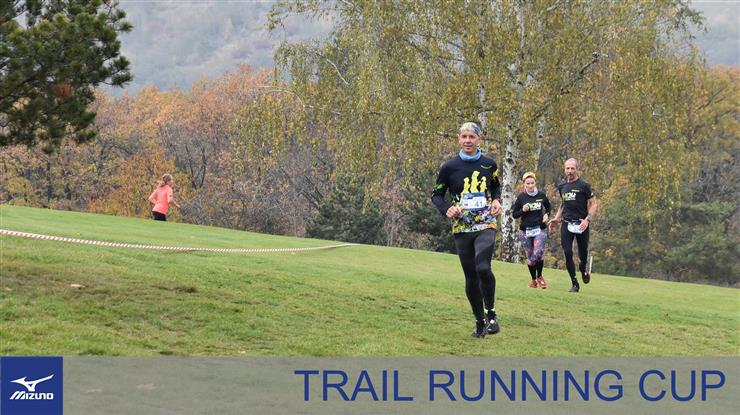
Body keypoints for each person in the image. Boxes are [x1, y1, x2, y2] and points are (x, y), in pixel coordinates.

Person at [432, 122, 502, 338]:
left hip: (485, 221)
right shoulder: (449, 167)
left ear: (479, 139)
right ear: (459, 139)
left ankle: (491, 314)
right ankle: (479, 321)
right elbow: (437, 195)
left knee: (483, 267)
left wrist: (496, 200)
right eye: (464, 137)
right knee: (471, 275)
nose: (468, 141)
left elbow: (495, 185)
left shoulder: (489, 164)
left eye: (472, 136)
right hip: (462, 225)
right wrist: (447, 209)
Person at [548, 159, 598, 292]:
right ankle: (574, 283)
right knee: (567, 252)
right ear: (564, 170)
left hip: (581, 224)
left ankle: (583, 268)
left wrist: (587, 220)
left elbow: (594, 204)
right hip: (567, 223)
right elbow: (563, 204)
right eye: (567, 168)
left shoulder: (584, 186)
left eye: (572, 168)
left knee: (582, 254)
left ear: (576, 169)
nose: (569, 171)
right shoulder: (562, 187)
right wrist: (556, 219)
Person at [511, 172, 551, 289]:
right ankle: (534, 280)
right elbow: (514, 214)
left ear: (535, 183)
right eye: (527, 183)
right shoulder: (521, 197)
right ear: (524, 184)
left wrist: (547, 214)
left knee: (538, 253)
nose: (530, 185)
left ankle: (540, 276)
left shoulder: (541, 195)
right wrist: (522, 210)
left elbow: (548, 206)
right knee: (530, 257)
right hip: (525, 231)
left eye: (532, 183)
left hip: (540, 228)